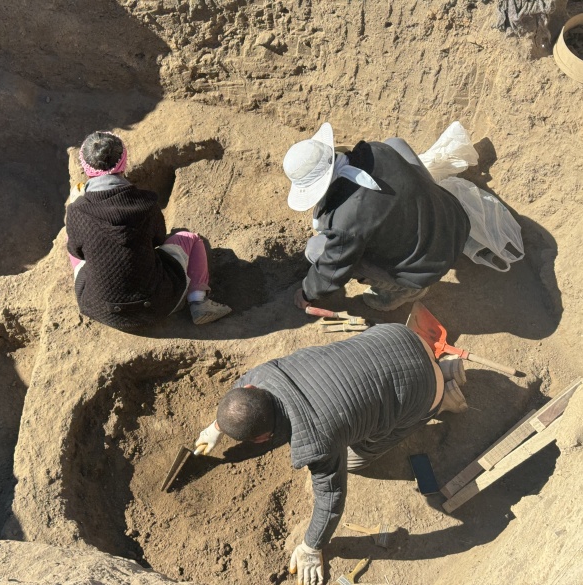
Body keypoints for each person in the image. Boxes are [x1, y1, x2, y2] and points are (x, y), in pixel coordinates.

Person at [194, 323, 468, 585]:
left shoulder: (319, 440)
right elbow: (241, 398)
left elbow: (331, 498)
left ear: (263, 438)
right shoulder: (263, 375)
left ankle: (444, 396)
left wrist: (312, 546)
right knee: (381, 388)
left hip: (422, 391)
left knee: (354, 459)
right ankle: (445, 368)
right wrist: (218, 426)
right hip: (399, 335)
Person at [283, 123, 471, 312]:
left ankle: (408, 289)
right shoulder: (375, 150)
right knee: (395, 144)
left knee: (316, 249)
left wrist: (307, 292)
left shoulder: (345, 222)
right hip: (455, 220)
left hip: (427, 266)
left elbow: (330, 271)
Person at [66, 131, 231, 330]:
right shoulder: (146, 202)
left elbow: (77, 252)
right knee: (191, 238)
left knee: (73, 242)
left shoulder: (77, 211)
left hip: (102, 310)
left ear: (86, 167)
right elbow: (159, 239)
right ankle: (198, 301)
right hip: (159, 305)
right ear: (123, 162)